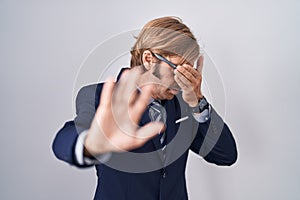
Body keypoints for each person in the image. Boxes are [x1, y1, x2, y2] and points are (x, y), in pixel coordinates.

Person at [52, 16, 237, 200]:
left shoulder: (185, 106)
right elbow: (64, 140)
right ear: (149, 58)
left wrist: (198, 101)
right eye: (178, 69)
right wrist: (90, 144)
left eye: (188, 72)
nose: (182, 82)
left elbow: (226, 155)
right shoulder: (100, 96)